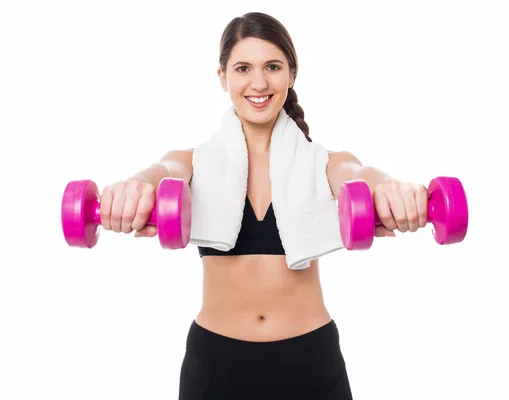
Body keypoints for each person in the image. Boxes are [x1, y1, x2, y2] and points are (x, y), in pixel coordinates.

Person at [99, 12, 429, 400]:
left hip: (310, 361)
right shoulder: (193, 162)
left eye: (272, 66)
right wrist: (133, 188)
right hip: (216, 363)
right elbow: (161, 172)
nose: (258, 83)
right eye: (243, 68)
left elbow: (359, 174)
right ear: (222, 78)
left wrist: (392, 188)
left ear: (291, 74)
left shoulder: (322, 163)